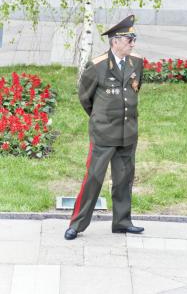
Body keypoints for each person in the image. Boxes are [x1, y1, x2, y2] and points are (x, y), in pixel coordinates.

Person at [64, 14, 144, 240]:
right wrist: (100, 118)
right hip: (103, 134)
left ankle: (122, 221)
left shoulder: (136, 62)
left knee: (124, 179)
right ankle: (77, 224)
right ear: (115, 41)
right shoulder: (97, 66)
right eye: (130, 39)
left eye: (133, 39)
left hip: (127, 133)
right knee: (94, 179)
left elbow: (135, 90)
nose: (133, 44)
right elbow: (85, 97)